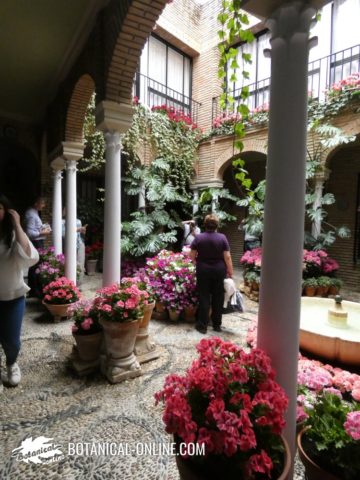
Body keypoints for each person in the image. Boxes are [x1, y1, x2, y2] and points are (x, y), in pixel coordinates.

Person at [0, 195, 39, 391]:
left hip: (13, 296)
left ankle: (11, 364)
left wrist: (17, 224)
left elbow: (30, 257)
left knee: (12, 341)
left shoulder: (13, 236)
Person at [189, 213, 233, 334]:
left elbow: (191, 255)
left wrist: (195, 263)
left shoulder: (199, 238)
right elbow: (227, 257)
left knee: (204, 296)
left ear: (205, 225)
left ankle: (202, 325)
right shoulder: (222, 238)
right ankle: (217, 325)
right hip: (219, 270)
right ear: (217, 225)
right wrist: (230, 271)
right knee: (218, 297)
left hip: (203, 270)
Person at [24, 196, 51, 296]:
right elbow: (29, 232)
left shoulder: (34, 212)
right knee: (35, 266)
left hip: (38, 242)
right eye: (42, 203)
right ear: (36, 203)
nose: (43, 206)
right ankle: (34, 291)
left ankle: (35, 289)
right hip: (36, 242)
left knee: (37, 266)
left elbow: (34, 228)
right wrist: (42, 232)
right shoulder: (31, 214)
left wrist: (43, 227)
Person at [62, 208, 87, 281]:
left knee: (80, 264)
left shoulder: (78, 221)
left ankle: (79, 283)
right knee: (70, 264)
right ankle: (70, 282)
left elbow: (81, 235)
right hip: (69, 245)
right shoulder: (62, 222)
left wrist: (83, 231)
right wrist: (77, 230)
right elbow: (63, 234)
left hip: (79, 243)